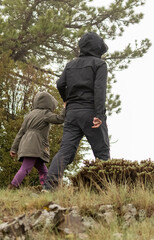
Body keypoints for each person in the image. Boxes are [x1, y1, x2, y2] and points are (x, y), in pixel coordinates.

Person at [43, 32, 111, 190]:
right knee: (102, 152)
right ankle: (103, 189)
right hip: (91, 112)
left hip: (72, 114)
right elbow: (100, 90)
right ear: (97, 47)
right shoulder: (99, 65)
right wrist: (99, 115)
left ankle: (48, 187)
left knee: (65, 152)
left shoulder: (70, 65)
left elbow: (60, 84)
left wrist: (66, 100)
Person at [8, 92, 65, 189]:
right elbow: (60, 119)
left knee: (42, 168)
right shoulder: (45, 114)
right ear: (49, 104)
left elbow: (20, 133)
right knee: (26, 168)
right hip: (35, 145)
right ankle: (12, 187)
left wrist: (14, 148)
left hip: (25, 144)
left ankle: (47, 188)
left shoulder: (29, 115)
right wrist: (65, 108)